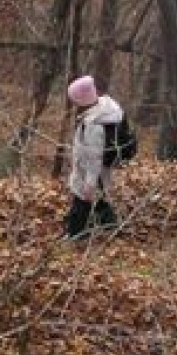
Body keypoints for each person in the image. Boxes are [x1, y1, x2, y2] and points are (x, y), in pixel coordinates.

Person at [64, 74, 123, 239]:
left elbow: (94, 157)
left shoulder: (94, 124)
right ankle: (110, 226)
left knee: (82, 202)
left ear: (82, 100)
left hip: (90, 172)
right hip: (97, 171)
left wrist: (89, 183)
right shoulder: (101, 111)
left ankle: (75, 234)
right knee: (101, 199)